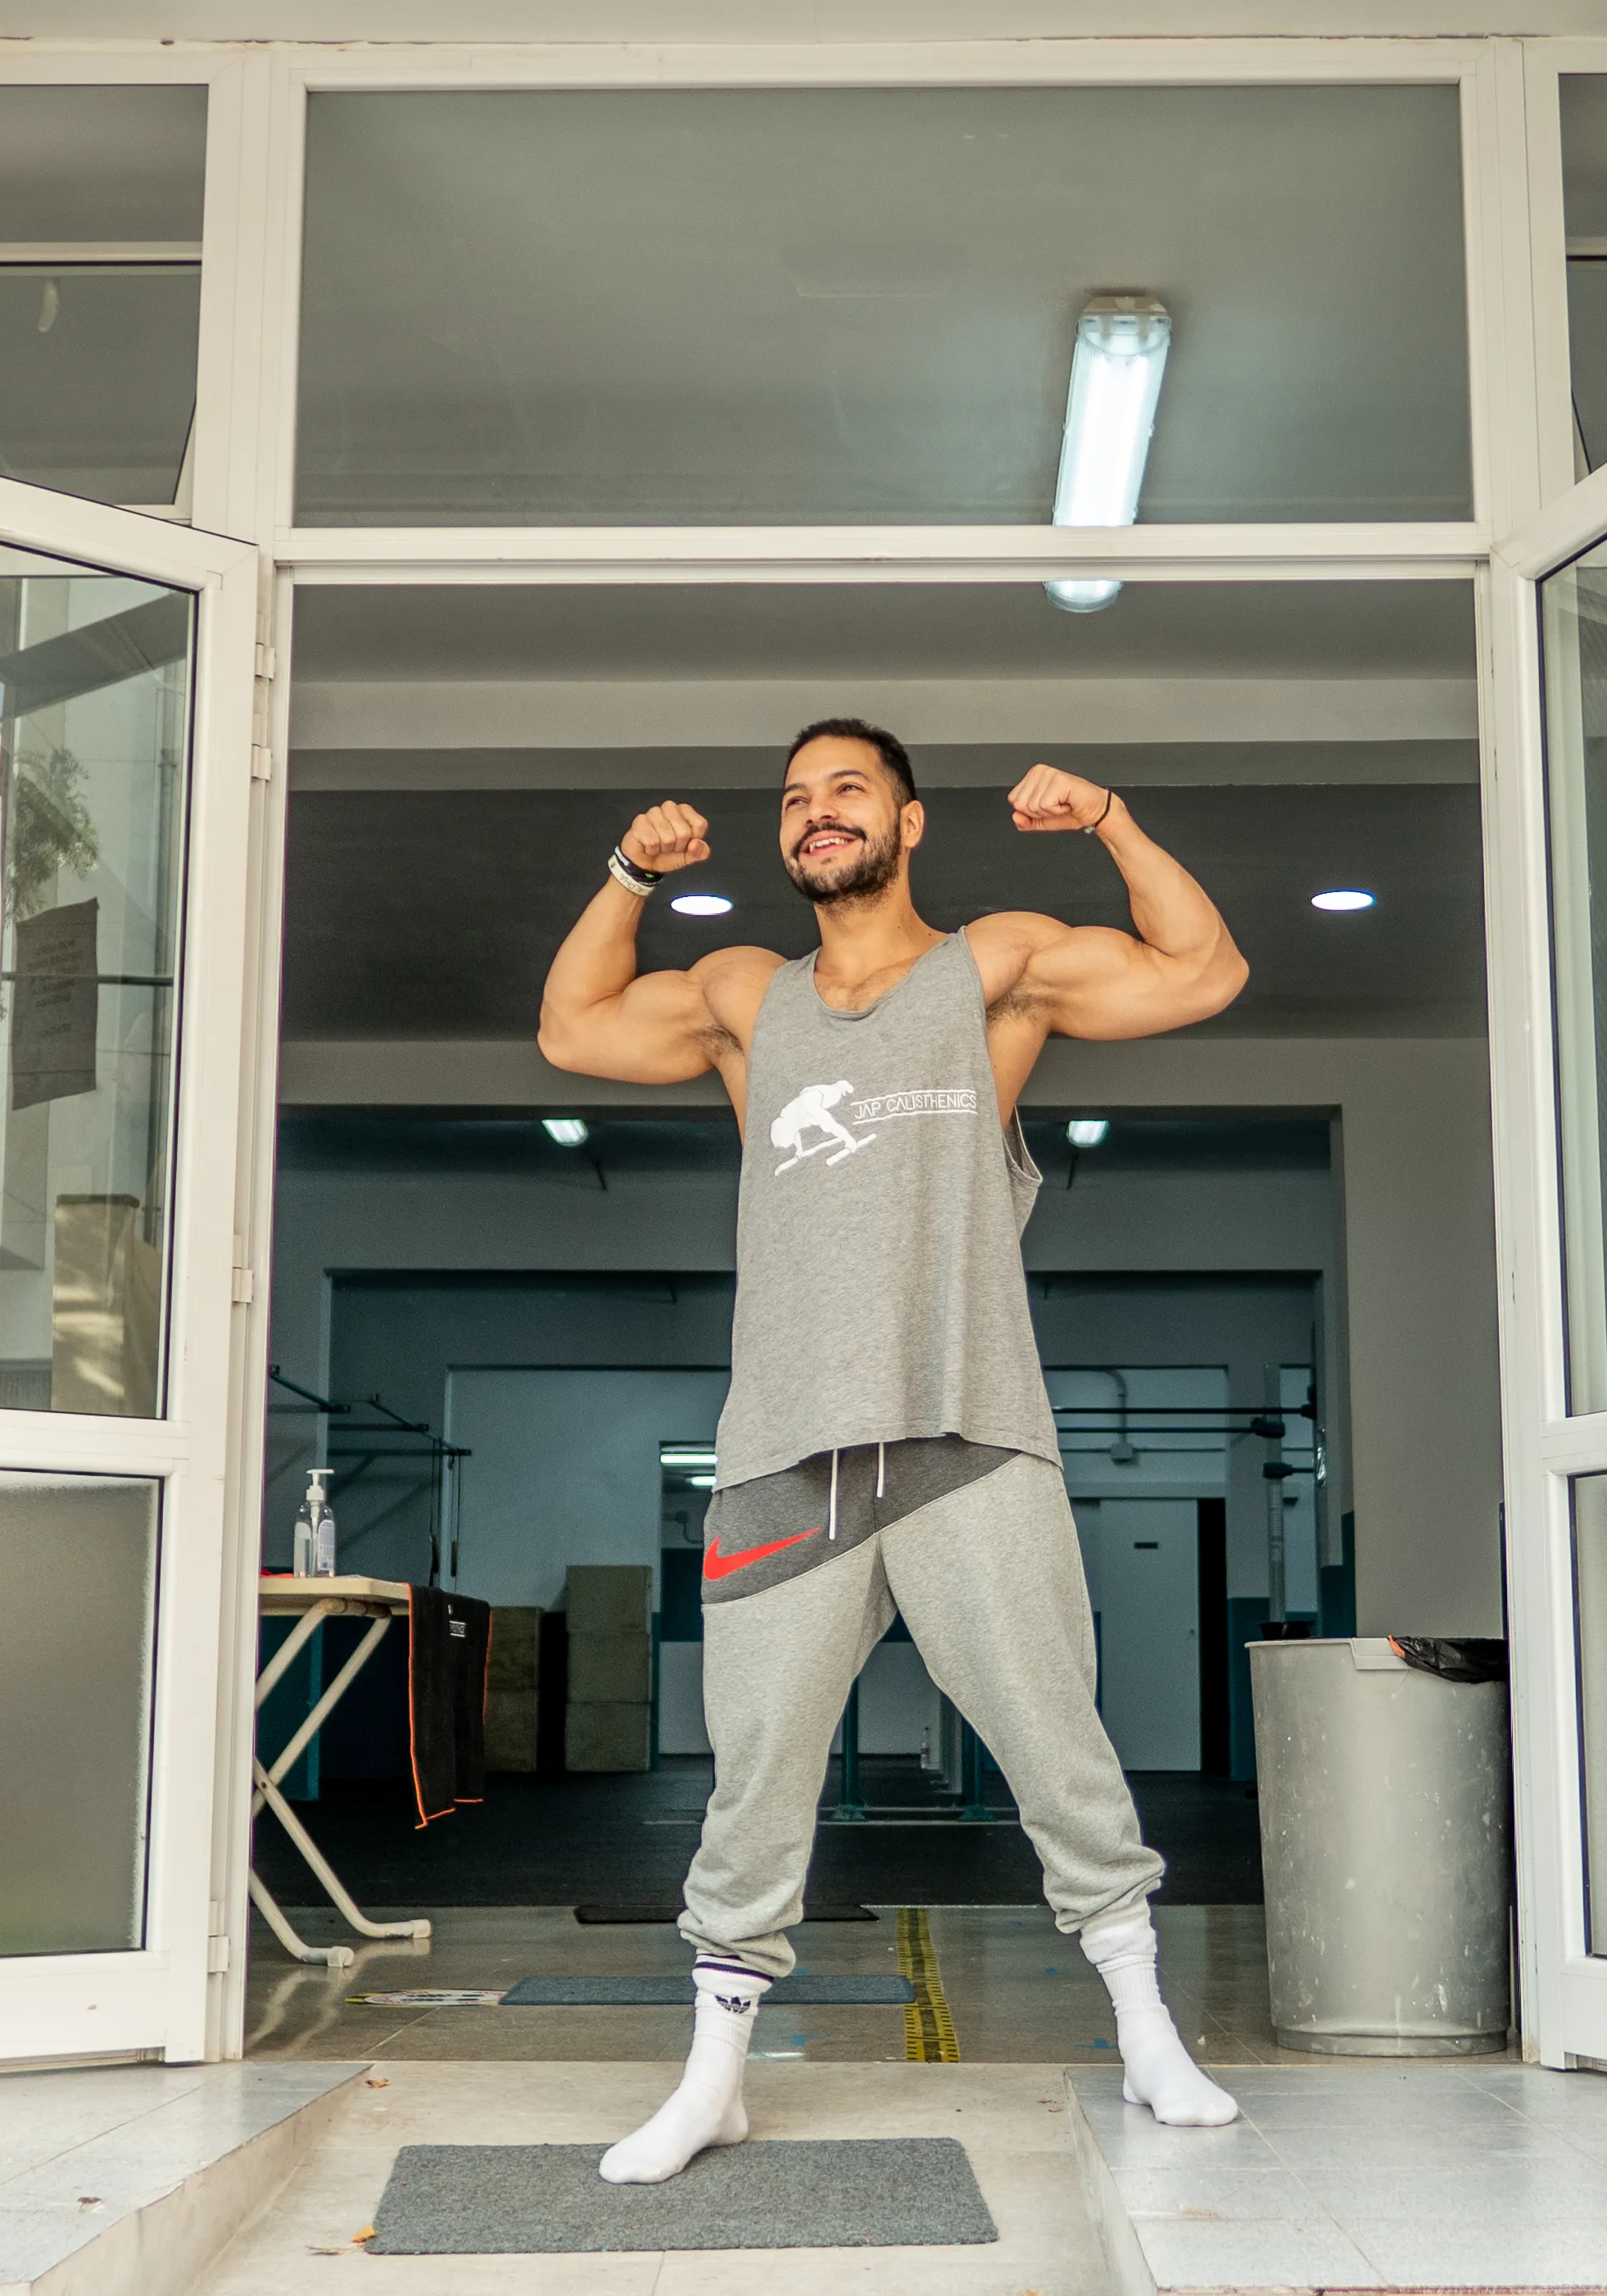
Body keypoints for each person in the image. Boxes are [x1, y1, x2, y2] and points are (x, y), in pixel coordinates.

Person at [537, 718, 1251, 2185]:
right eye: (795, 796)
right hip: (783, 1448)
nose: (817, 812)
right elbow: (570, 1029)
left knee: (1054, 1744)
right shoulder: (746, 994)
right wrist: (626, 872)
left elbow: (1203, 969)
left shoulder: (991, 969)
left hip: (965, 1429)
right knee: (753, 1776)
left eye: (847, 789)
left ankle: (1144, 2032)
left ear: (907, 821)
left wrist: (1110, 819)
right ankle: (713, 2079)